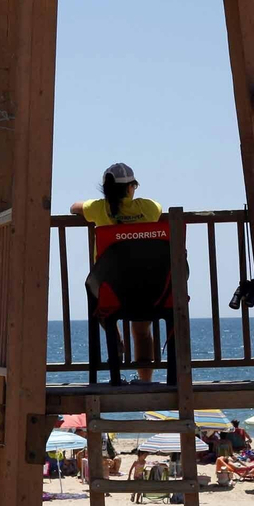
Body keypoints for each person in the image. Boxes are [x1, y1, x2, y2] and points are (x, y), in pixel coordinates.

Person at [71, 162, 163, 383]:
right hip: (146, 288)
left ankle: (114, 334)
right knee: (142, 330)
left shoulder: (98, 208)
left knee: (96, 296)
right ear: (131, 187)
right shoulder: (148, 208)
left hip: (111, 289)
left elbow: (75, 207)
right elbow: (158, 209)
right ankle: (145, 380)